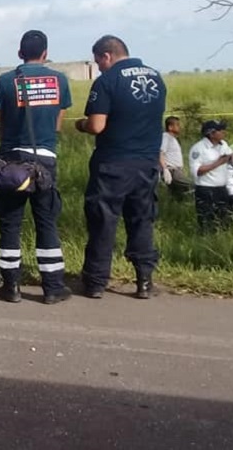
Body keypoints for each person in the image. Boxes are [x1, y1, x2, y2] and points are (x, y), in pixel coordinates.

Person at [75, 35, 166, 300]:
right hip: (147, 162)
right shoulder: (156, 78)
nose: (99, 67)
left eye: (98, 61)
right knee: (141, 220)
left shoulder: (107, 81)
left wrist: (80, 124)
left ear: (107, 55)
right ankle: (144, 281)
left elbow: (96, 126)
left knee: (103, 221)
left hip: (114, 163)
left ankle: (95, 282)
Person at [0, 29, 72, 305]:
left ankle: (11, 286)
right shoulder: (60, 80)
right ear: (46, 54)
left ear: (19, 53)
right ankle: (52, 287)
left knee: (10, 223)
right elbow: (58, 123)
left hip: (13, 161)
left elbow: (0, 123)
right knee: (46, 222)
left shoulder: (4, 82)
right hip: (45, 159)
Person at [188, 120, 233, 233]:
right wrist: (218, 162)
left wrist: (232, 157)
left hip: (221, 188)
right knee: (206, 221)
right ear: (211, 134)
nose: (223, 132)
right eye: (220, 130)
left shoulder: (223, 144)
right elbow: (197, 171)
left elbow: (229, 156)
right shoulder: (198, 149)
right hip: (206, 190)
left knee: (225, 220)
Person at [160, 116, 193, 197]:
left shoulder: (174, 139)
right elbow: (160, 153)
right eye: (177, 125)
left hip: (176, 170)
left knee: (177, 194)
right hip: (172, 170)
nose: (180, 127)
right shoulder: (166, 137)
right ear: (170, 127)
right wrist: (165, 169)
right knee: (192, 186)